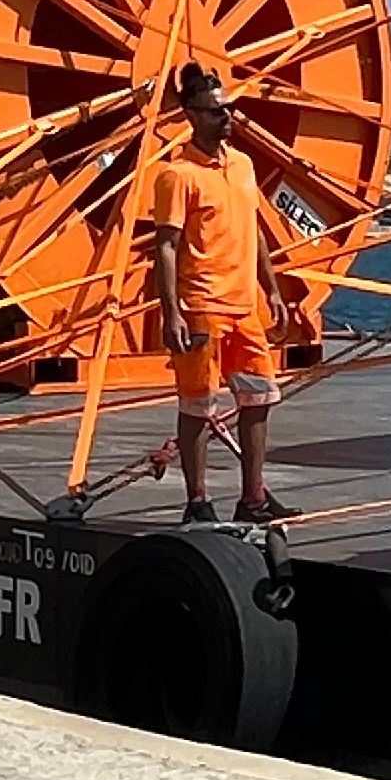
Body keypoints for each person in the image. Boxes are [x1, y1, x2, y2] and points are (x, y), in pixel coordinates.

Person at [143, 68, 297, 525]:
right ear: (191, 115)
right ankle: (197, 502)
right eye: (214, 111)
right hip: (202, 307)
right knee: (197, 405)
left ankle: (253, 497)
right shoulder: (177, 175)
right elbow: (165, 246)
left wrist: (272, 288)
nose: (226, 117)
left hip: (244, 304)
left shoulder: (243, 165)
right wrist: (171, 314)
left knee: (260, 398)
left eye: (227, 108)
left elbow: (256, 231)